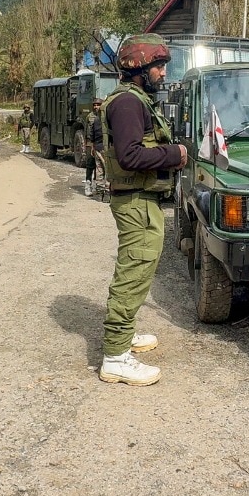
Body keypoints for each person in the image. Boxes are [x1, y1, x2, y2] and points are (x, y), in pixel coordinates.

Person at [97, 34, 188, 386]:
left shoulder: (136, 100)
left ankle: (124, 335)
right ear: (140, 68)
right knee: (133, 271)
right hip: (135, 201)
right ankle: (116, 357)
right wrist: (175, 154)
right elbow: (130, 156)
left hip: (142, 199)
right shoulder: (127, 104)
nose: (163, 73)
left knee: (138, 270)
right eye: (158, 66)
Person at [83, 98, 103, 197]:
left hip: (100, 143)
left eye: (98, 105)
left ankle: (96, 184)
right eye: (94, 105)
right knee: (90, 164)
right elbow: (86, 131)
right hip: (90, 143)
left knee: (99, 166)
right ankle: (88, 184)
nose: (96, 107)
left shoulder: (104, 116)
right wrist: (86, 144)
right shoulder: (89, 117)